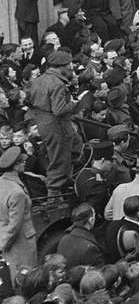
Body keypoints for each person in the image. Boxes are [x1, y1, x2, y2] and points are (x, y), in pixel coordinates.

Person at [26, 50, 81, 197]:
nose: (70, 66)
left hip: (43, 121)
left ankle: (66, 178)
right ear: (61, 66)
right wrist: (73, 104)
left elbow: (29, 99)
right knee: (59, 158)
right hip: (57, 124)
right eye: (68, 64)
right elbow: (59, 109)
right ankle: (54, 195)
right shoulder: (57, 84)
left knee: (75, 145)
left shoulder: (38, 80)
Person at [0, 147, 37, 275]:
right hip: (21, 241)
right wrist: (2, 245)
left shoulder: (2, 182)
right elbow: (15, 225)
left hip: (4, 234)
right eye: (21, 162)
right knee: (26, 275)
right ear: (15, 166)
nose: (24, 163)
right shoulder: (17, 192)